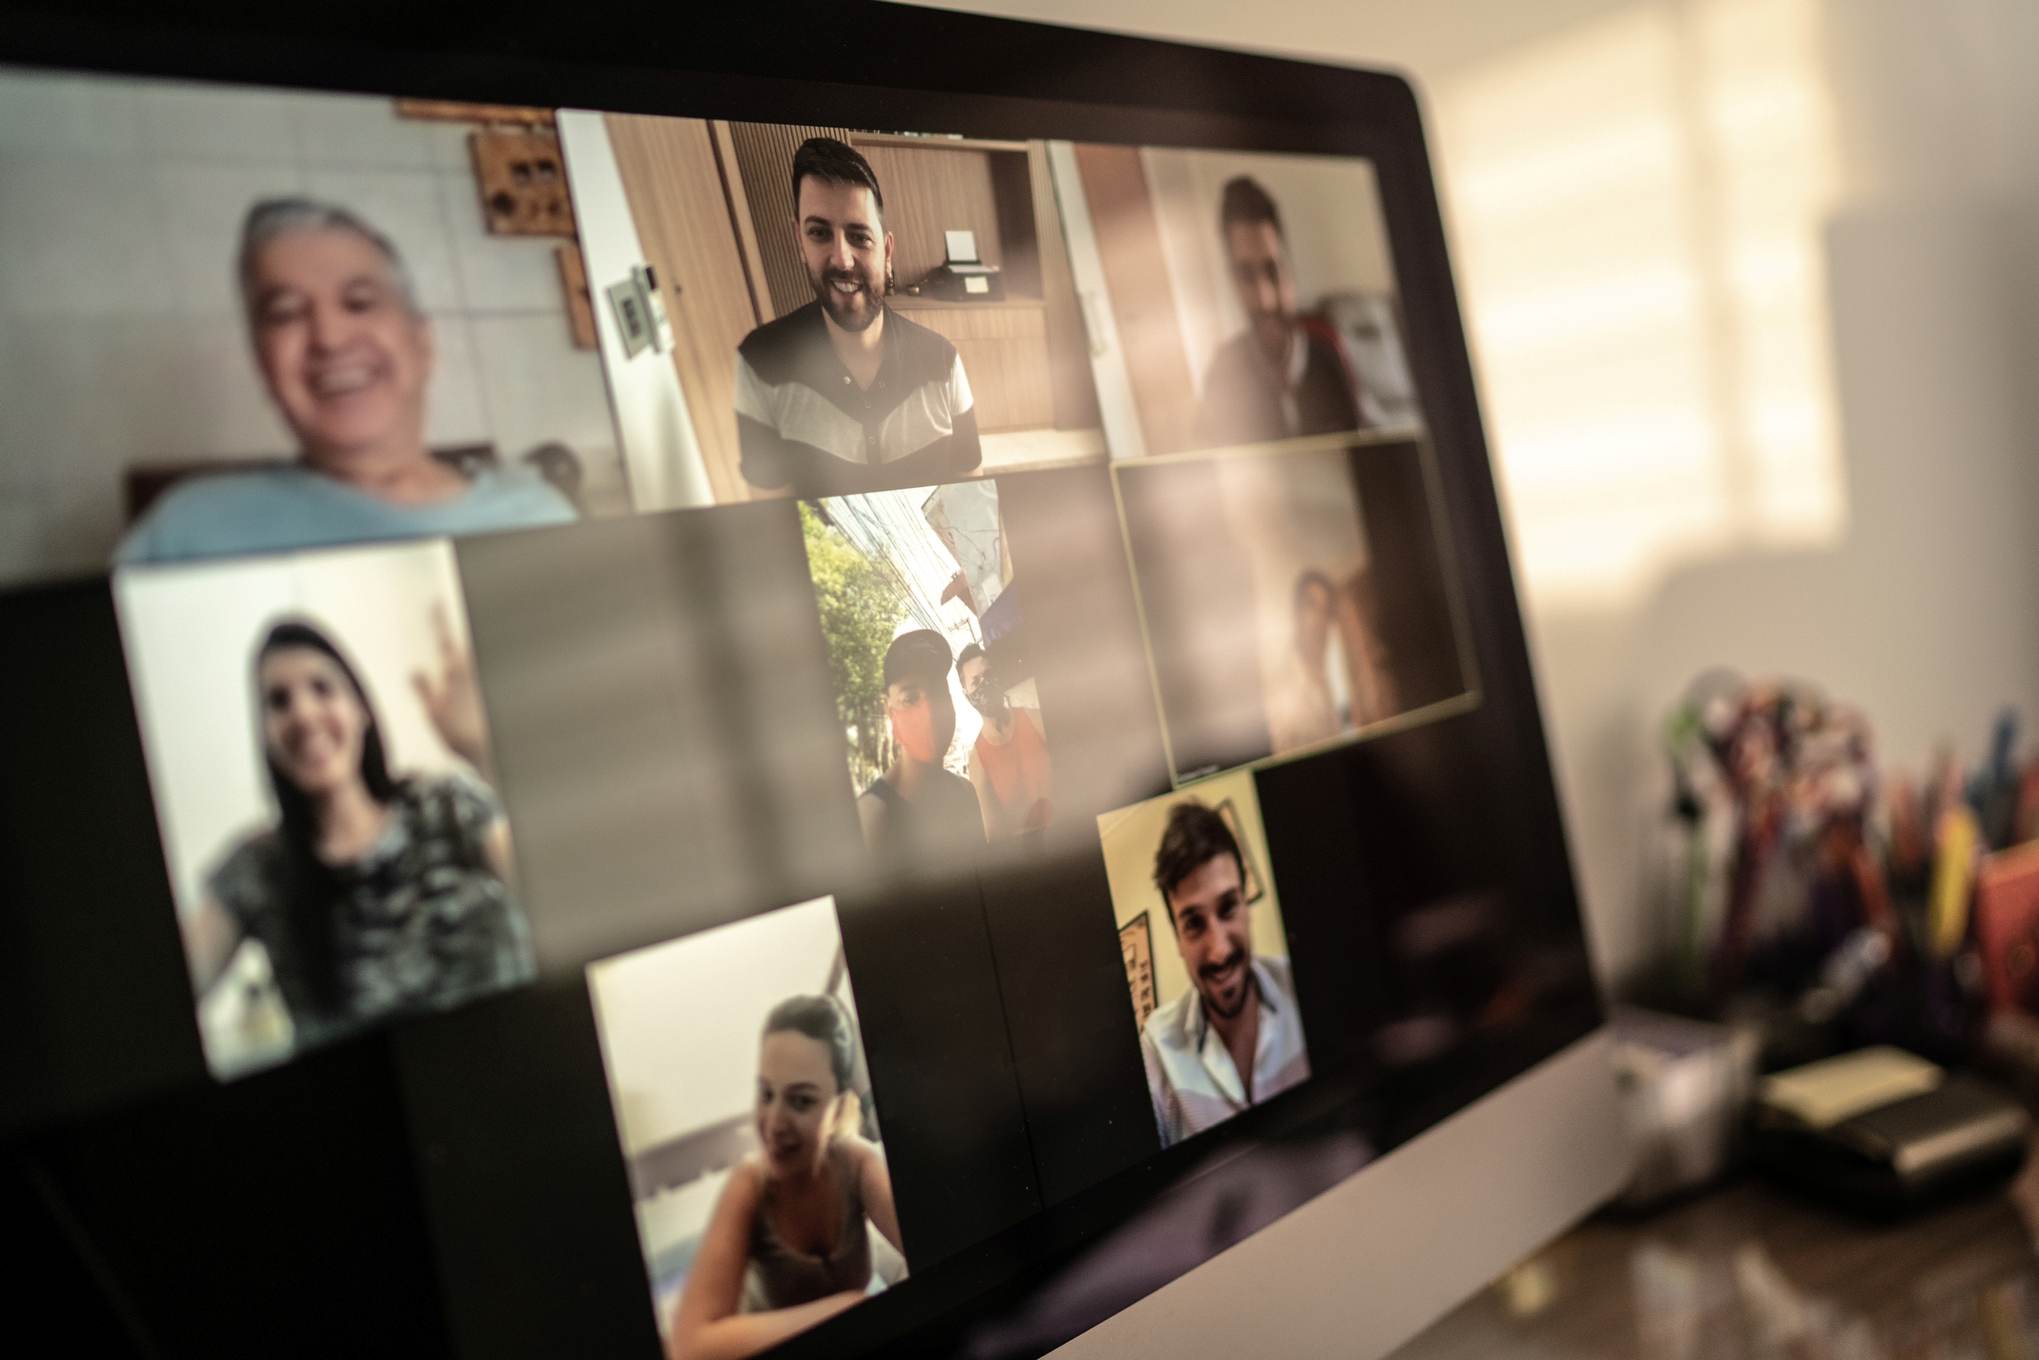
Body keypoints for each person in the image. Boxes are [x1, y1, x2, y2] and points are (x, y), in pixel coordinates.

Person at [116, 196, 577, 564]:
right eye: (285, 314)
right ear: (263, 364)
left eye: (359, 302)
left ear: (422, 341)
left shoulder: (540, 518)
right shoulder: (188, 534)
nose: (330, 339)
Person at [178, 613, 532, 1059]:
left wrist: (484, 752)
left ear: (361, 709)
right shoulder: (259, 869)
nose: (304, 713)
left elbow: (563, 891)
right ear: (265, 737)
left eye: (322, 688)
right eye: (279, 701)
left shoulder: (448, 805)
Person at [732, 138, 982, 497]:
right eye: (819, 234)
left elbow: (974, 497)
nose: (842, 259)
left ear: (888, 251)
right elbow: (773, 524)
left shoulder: (943, 363)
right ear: (798, 241)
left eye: (859, 236)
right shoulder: (759, 364)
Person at [669, 996, 904, 1360]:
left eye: (801, 1101)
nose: (774, 1123)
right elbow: (689, 1346)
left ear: (840, 1106)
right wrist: (848, 1307)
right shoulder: (749, 1185)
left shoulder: (857, 1163)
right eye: (766, 1094)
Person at [1139, 801, 1310, 1147]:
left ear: (1247, 907)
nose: (1219, 950)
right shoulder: (1156, 1050)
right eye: (1194, 924)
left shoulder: (1303, 984)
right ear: (1177, 939)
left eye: (1228, 907)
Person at [1193, 176, 1365, 449]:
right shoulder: (1222, 373)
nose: (1265, 299)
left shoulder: (1329, 353)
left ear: (1290, 268)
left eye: (1272, 270)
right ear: (1232, 281)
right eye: (1247, 276)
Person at [856, 629, 985, 856]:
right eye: (911, 698)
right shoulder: (872, 818)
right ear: (889, 711)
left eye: (938, 693)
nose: (930, 713)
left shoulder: (965, 792)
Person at [956, 642, 1051, 839]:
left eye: (988, 675)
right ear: (967, 696)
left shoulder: (1036, 719)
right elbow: (995, 837)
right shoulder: (978, 760)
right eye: (976, 682)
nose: (985, 684)